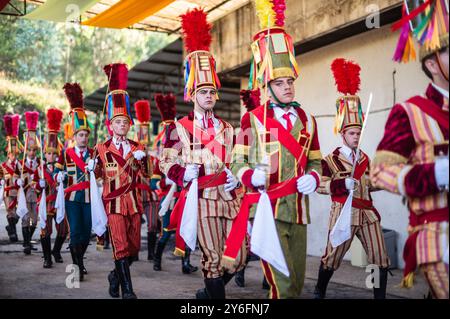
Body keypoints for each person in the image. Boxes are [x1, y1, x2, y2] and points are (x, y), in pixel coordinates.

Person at [226, 1, 322, 299]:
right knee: (280, 281)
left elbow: (317, 162)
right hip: (268, 206)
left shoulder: (308, 119)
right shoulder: (252, 119)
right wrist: (248, 176)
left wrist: (316, 179)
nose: (287, 87)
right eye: (280, 83)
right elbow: (236, 159)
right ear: (268, 86)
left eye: (290, 81)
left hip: (300, 209)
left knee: (296, 280)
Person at [160, 8, 245, 299]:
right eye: (202, 92)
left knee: (239, 255)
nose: (208, 96)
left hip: (228, 197)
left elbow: (234, 161)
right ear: (192, 95)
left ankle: (207, 295)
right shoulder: (177, 128)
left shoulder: (228, 128)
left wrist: (235, 176)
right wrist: (183, 173)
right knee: (211, 259)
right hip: (203, 199)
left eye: (211, 92)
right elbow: (165, 162)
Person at [371, 0, 449, 299]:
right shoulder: (411, 111)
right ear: (432, 63)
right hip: (438, 236)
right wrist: (436, 173)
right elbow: (379, 173)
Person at [314, 58, 390, 299]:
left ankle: (379, 296)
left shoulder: (366, 159)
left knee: (380, 257)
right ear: (343, 133)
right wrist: (340, 184)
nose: (356, 137)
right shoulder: (331, 159)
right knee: (332, 257)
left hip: (367, 213)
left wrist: (386, 180)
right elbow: (320, 186)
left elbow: (372, 185)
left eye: (359, 133)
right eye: (352, 133)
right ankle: (319, 290)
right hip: (343, 214)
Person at [92, 63, 149, 299]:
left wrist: (143, 159)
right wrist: (91, 167)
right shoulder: (101, 148)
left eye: (125, 122)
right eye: (118, 122)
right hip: (113, 203)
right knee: (120, 245)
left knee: (134, 248)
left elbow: (147, 173)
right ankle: (128, 290)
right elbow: (96, 175)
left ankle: (115, 276)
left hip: (134, 203)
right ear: (110, 125)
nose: (122, 125)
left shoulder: (138, 147)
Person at [54, 83, 94, 281]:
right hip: (71, 197)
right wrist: (58, 176)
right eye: (80, 135)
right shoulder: (66, 153)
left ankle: (80, 260)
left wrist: (98, 168)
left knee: (87, 234)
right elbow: (56, 170)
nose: (84, 138)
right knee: (76, 231)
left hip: (88, 198)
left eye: (86, 135)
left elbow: (102, 174)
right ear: (74, 136)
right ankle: (77, 266)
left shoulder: (94, 154)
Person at [35, 108, 69, 268]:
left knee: (63, 230)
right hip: (45, 202)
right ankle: (47, 257)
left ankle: (56, 251)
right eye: (48, 153)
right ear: (45, 154)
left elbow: (68, 183)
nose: (51, 156)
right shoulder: (40, 169)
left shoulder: (61, 168)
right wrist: (38, 185)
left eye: (54, 153)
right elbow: (34, 187)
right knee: (45, 230)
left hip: (59, 202)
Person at [16, 111, 41, 255]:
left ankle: (28, 241)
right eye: (29, 150)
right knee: (25, 219)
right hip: (24, 195)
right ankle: (26, 244)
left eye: (33, 150)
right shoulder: (20, 164)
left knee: (34, 221)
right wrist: (17, 180)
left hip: (36, 195)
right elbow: (13, 177)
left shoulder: (40, 163)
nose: (31, 152)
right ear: (26, 150)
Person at [0, 114, 22, 243]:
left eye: (16, 154)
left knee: (19, 212)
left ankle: (10, 227)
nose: (14, 156)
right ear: (8, 154)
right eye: (12, 154)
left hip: (18, 192)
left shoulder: (20, 164)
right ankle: (13, 234)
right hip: (8, 191)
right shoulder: (2, 165)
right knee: (10, 212)